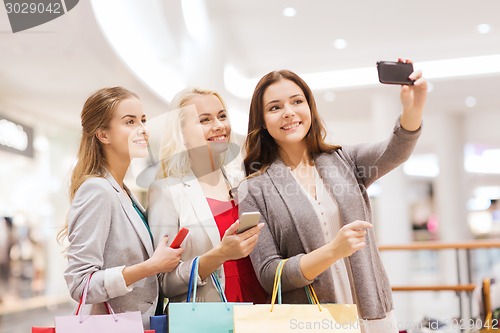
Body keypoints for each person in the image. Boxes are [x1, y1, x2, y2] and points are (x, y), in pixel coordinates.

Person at [238, 61, 427, 333]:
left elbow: (396, 149)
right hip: (313, 322)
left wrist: (413, 108)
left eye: (296, 101)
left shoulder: (344, 160)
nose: (289, 112)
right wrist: (333, 251)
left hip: (371, 312)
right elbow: (270, 275)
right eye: (275, 107)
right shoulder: (254, 189)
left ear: (310, 108)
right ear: (263, 122)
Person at [59, 87, 183, 328]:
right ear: (103, 134)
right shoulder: (97, 190)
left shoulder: (123, 192)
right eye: (130, 122)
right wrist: (151, 267)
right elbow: (79, 283)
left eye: (143, 120)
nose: (142, 130)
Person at [148, 87, 267, 304]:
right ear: (181, 134)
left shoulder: (243, 182)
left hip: (259, 311)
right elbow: (163, 282)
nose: (219, 125)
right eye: (205, 120)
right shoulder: (166, 191)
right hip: (210, 317)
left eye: (222, 116)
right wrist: (219, 255)